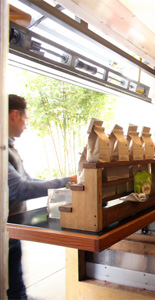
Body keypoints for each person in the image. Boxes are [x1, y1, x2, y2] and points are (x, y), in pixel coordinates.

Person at [7, 94, 77, 299]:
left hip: (13, 227)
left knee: (15, 282)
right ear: (14, 115)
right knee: (12, 285)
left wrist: (65, 180)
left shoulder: (10, 148)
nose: (26, 124)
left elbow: (28, 179)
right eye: (25, 119)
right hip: (6, 228)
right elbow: (20, 189)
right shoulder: (2, 150)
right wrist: (66, 181)